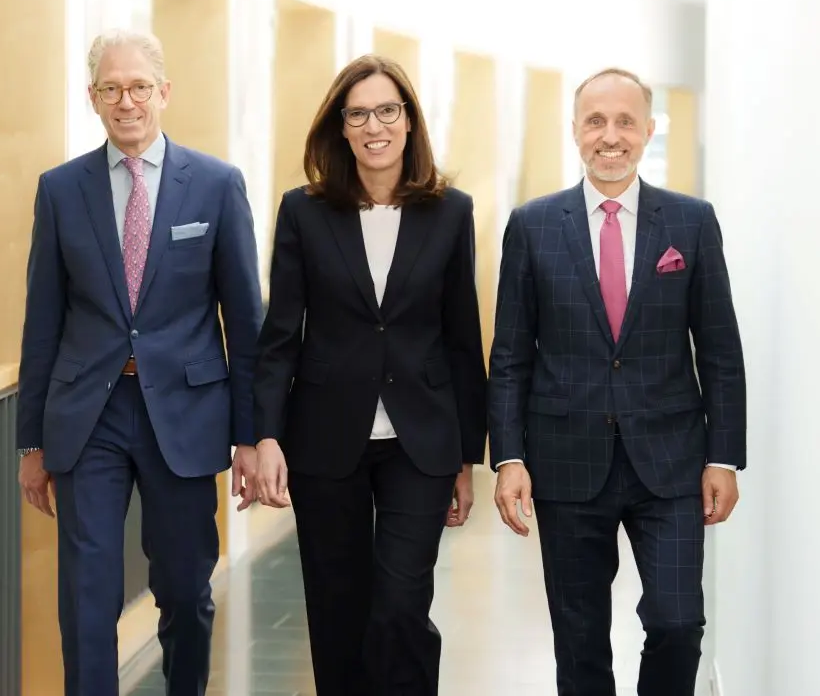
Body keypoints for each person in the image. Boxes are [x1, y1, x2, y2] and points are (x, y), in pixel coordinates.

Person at [15, 29, 263, 696]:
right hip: (87, 416)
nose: (126, 101)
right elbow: (43, 322)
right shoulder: (61, 190)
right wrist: (31, 440)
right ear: (93, 98)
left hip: (182, 415)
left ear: (164, 92)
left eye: (139, 86)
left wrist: (250, 434)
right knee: (87, 591)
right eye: (110, 88)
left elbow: (245, 323)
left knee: (184, 585)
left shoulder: (215, 186)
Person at [488, 68, 746, 696]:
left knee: (678, 621)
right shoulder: (533, 225)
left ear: (648, 131)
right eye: (596, 121)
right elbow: (511, 354)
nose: (611, 136)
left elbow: (719, 348)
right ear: (575, 131)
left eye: (625, 121)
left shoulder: (690, 222)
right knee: (578, 638)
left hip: (672, 461)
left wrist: (724, 457)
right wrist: (509, 455)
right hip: (566, 459)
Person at [252, 54, 487, 696]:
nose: (373, 126)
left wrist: (470, 456)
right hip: (326, 441)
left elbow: (463, 339)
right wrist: (267, 435)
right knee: (337, 611)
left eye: (387, 110)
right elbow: (281, 337)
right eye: (358, 114)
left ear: (409, 122)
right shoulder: (304, 211)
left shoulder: (450, 211)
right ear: (342, 128)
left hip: (422, 442)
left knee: (401, 606)